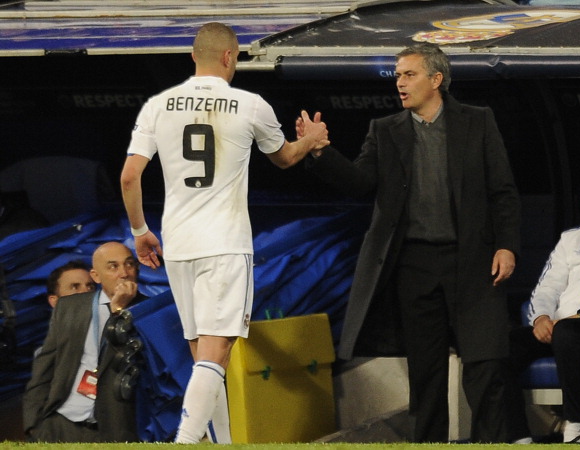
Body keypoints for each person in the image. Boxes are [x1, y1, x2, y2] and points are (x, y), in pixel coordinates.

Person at [119, 22, 329, 444]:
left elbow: (129, 177)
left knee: (203, 359)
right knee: (215, 356)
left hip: (178, 245)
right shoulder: (250, 105)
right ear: (230, 57)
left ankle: (222, 443)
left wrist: (141, 231)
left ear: (193, 56)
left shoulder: (158, 106)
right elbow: (285, 158)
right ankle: (186, 441)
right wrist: (312, 140)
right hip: (225, 243)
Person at [300, 42, 521, 443]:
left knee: (485, 363)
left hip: (473, 262)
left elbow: (502, 191)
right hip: (414, 266)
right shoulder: (385, 131)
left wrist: (507, 246)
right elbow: (359, 182)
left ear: (436, 79)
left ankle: (494, 442)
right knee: (426, 371)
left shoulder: (478, 121)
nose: (399, 83)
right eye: (398, 75)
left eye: (408, 74)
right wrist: (321, 150)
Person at [23, 241, 146, 442]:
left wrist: (118, 312)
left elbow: (129, 363)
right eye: (113, 266)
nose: (124, 273)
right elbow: (44, 368)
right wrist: (34, 426)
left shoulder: (149, 311)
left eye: (129, 264)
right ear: (96, 276)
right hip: (60, 424)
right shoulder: (70, 307)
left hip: (115, 432)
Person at [506, 172, 580, 444]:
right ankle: (519, 438)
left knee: (568, 330)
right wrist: (541, 319)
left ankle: (575, 427)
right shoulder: (572, 239)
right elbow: (547, 287)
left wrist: (572, 320)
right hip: (561, 328)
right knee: (501, 347)